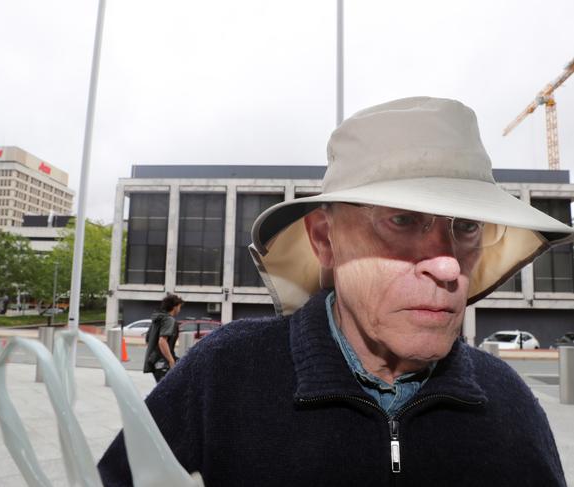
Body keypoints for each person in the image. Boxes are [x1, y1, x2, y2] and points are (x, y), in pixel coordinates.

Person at [99, 97, 571, 486]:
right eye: (403, 220)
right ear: (325, 240)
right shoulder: (225, 372)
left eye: (466, 226)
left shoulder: (508, 400)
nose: (448, 264)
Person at [143, 293, 183, 382]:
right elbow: (162, 341)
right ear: (175, 307)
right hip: (163, 362)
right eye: (179, 307)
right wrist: (171, 360)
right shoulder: (169, 320)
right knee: (167, 391)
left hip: (155, 360)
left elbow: (147, 340)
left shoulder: (158, 319)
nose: (180, 310)